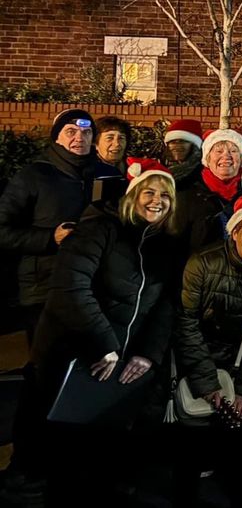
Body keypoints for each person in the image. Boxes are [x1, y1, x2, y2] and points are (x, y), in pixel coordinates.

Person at [9, 159, 182, 504]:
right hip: (72, 352)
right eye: (149, 191)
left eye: (165, 195)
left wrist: (148, 354)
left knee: (95, 450)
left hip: (120, 358)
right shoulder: (99, 229)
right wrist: (104, 344)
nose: (157, 200)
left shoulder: (166, 245)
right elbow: (70, 287)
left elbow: (166, 306)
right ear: (132, 196)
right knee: (52, 440)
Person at [173, 197, 242, 507]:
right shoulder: (203, 263)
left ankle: (239, 487)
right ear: (234, 232)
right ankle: (185, 491)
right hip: (203, 355)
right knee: (194, 431)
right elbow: (186, 323)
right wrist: (207, 382)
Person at [0, 109, 122, 344]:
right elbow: (3, 230)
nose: (80, 137)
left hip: (93, 288)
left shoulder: (106, 176)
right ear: (57, 137)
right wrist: (50, 238)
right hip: (45, 289)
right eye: (71, 132)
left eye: (87, 132)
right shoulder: (32, 176)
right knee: (46, 367)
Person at [175, 128, 242, 251]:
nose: (226, 156)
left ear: (241, 159)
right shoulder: (186, 194)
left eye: (233, 151)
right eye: (218, 151)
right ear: (207, 159)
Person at [163, 118, 206, 189]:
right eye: (173, 142)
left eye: (182, 141)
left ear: (195, 145)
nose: (177, 146)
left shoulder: (202, 173)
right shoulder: (165, 172)